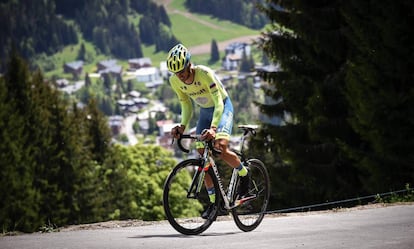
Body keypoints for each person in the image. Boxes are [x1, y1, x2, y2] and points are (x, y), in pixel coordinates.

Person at [167, 43, 250, 219]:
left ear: (189, 65)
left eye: (182, 71)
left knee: (220, 147)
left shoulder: (204, 73)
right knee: (202, 156)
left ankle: (244, 176)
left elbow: (219, 101)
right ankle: (215, 204)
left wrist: (214, 128)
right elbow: (186, 104)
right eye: (176, 73)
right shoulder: (174, 81)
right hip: (205, 112)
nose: (180, 76)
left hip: (223, 107)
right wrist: (182, 126)